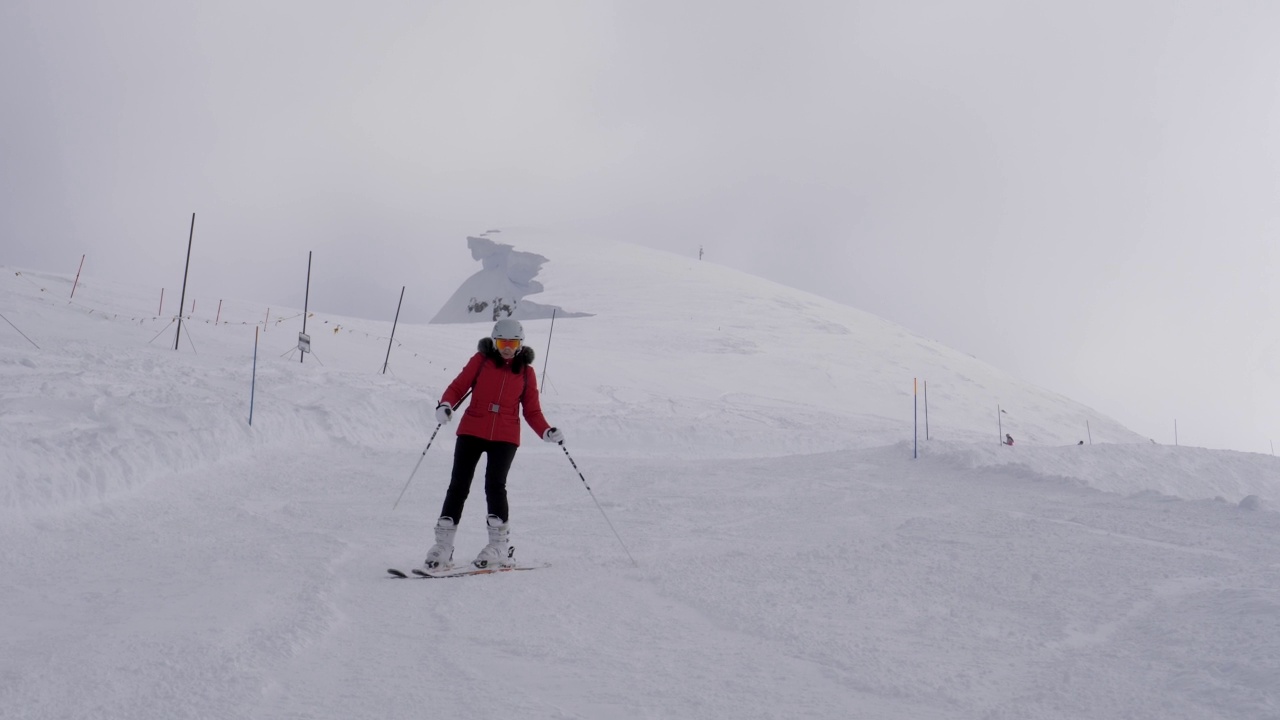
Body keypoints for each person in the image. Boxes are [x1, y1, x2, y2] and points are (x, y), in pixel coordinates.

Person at [424, 318, 564, 569]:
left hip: (505, 436)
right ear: (494, 341)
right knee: (458, 485)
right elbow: (457, 387)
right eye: (501, 342)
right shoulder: (481, 361)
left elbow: (532, 411)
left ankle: (499, 547)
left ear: (520, 344)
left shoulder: (526, 373)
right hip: (472, 429)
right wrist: (445, 404)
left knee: (495, 486)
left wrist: (546, 431)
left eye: (512, 343)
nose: (506, 348)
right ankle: (443, 547)